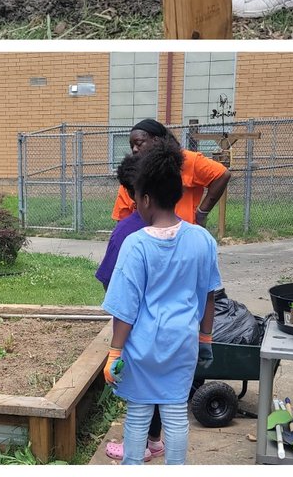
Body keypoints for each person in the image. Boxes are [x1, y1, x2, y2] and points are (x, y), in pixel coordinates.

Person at [101, 140, 221, 466]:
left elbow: (125, 308)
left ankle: (133, 465)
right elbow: (209, 293)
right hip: (182, 343)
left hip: (141, 348)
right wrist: (205, 339)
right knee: (175, 412)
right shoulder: (202, 240)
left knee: (139, 413)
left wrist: (115, 351)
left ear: (146, 198)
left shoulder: (135, 245)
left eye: (136, 197)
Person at [98, 152, 161, 464]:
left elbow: (110, 282)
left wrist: (117, 344)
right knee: (161, 388)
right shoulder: (184, 229)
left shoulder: (126, 232)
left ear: (134, 192)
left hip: (135, 329)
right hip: (172, 330)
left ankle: (138, 449)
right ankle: (155, 441)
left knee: (138, 392)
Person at [111, 120, 231, 229]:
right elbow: (122, 219)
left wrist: (201, 213)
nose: (135, 150)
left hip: (183, 238)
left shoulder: (187, 160)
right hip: (147, 242)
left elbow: (222, 175)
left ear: (156, 140)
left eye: (139, 143)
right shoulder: (133, 174)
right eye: (132, 146)